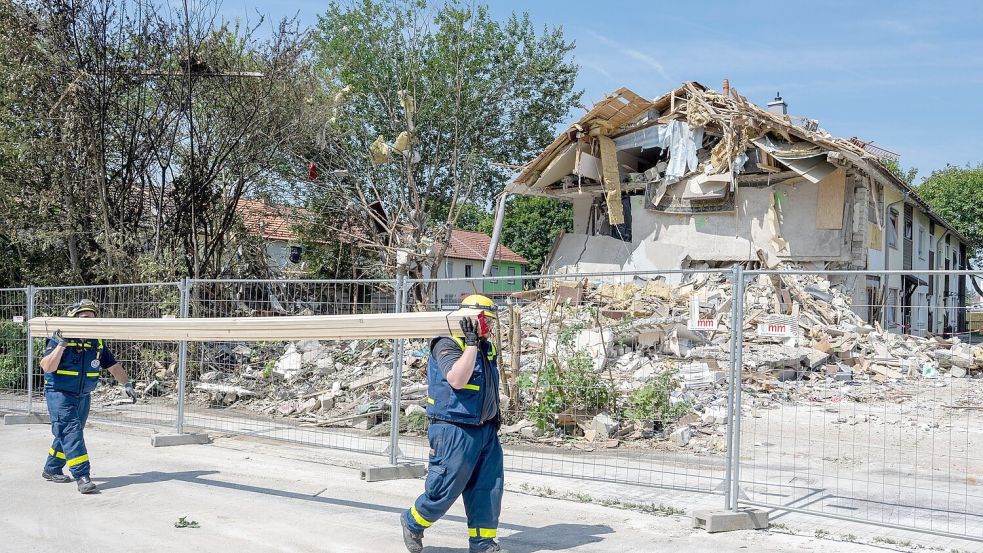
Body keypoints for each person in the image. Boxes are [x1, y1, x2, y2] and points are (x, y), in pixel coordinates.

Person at [401, 294, 507, 553]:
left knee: (488, 488)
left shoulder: (485, 346)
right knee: (445, 486)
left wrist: (494, 414)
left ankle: (483, 544)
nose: (489, 326)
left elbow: (487, 385)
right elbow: (457, 379)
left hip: (484, 429)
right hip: (453, 428)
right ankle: (413, 521)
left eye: (491, 321)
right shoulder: (446, 343)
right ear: (469, 319)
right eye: (485, 320)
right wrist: (470, 344)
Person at [39, 299, 137, 494]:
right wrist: (61, 345)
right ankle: (82, 476)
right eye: (84, 318)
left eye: (92, 319)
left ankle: (52, 468)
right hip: (59, 393)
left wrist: (126, 384)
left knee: (66, 433)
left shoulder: (96, 342)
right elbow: (47, 366)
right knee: (71, 431)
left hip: (83, 395)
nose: (88, 322)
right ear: (72, 320)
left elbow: (113, 365)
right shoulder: (58, 339)